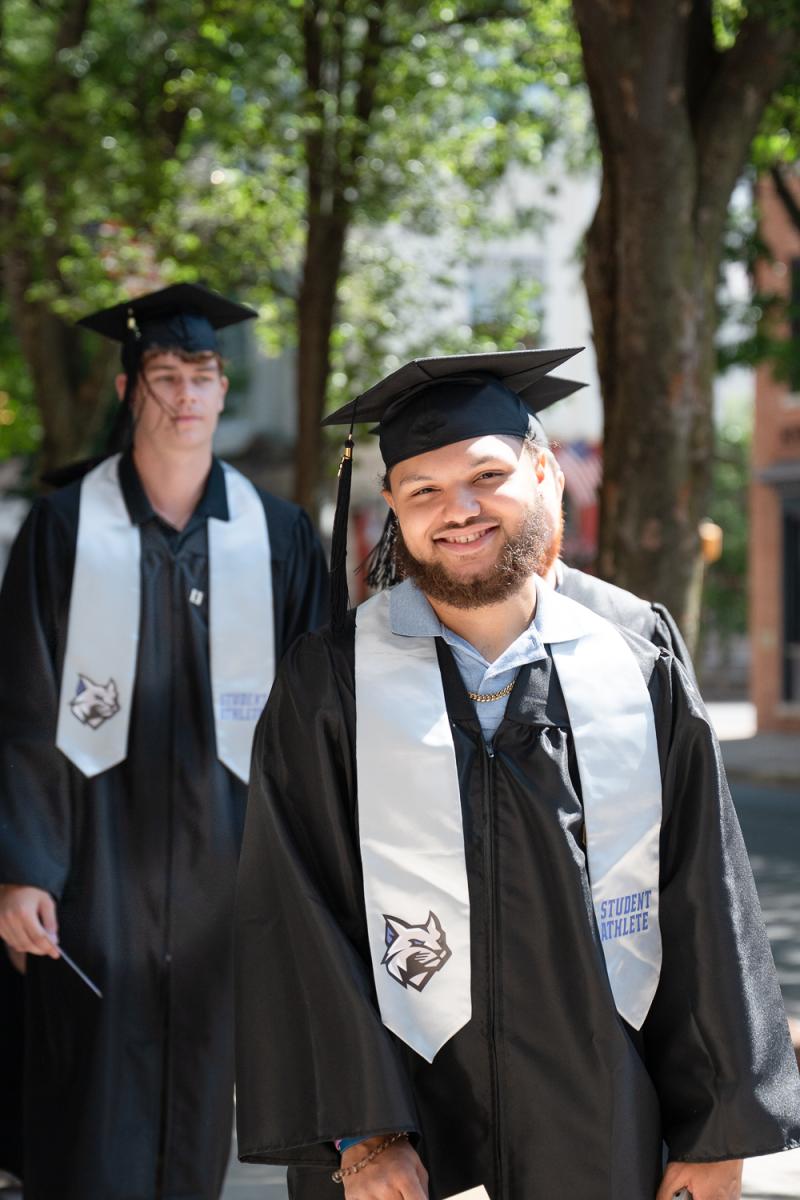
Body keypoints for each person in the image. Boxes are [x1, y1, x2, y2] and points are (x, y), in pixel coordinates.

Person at [234, 349, 800, 1200]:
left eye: (486, 477)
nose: (456, 512)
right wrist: (362, 1132)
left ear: (545, 473)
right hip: (406, 1133)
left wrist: (719, 1129)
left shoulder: (633, 649)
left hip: (606, 1113)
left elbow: (704, 891)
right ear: (391, 506)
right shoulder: (332, 677)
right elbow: (294, 909)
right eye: (422, 489)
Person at [0, 283, 329, 1200]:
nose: (187, 395)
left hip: (230, 871)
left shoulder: (277, 536)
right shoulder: (66, 530)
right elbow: (23, 705)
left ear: (224, 392)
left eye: (205, 376)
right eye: (166, 375)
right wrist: (23, 866)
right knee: (88, 1103)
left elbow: (311, 723)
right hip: (93, 869)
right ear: (128, 389)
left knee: (199, 1106)